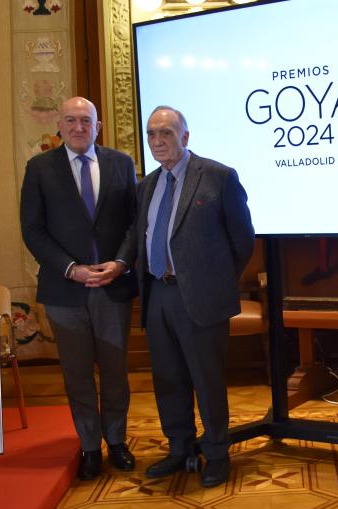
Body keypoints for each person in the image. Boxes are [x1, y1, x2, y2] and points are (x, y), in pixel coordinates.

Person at [20, 96, 138, 481]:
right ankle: (89, 446)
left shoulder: (121, 164)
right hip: (65, 290)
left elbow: (135, 225)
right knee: (77, 373)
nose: (78, 127)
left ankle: (117, 440)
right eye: (70, 120)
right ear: (60, 125)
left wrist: (120, 264)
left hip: (112, 286)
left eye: (85, 121)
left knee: (116, 371)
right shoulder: (39, 169)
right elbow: (32, 230)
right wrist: (71, 269)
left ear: (98, 126)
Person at [137, 105, 255, 488]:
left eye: (166, 133)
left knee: (207, 381)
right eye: (152, 133)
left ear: (185, 137)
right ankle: (179, 449)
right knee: (168, 378)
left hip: (201, 300)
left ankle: (217, 454)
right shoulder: (147, 185)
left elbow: (243, 240)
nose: (158, 141)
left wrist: (214, 282)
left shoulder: (218, 177)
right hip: (158, 295)